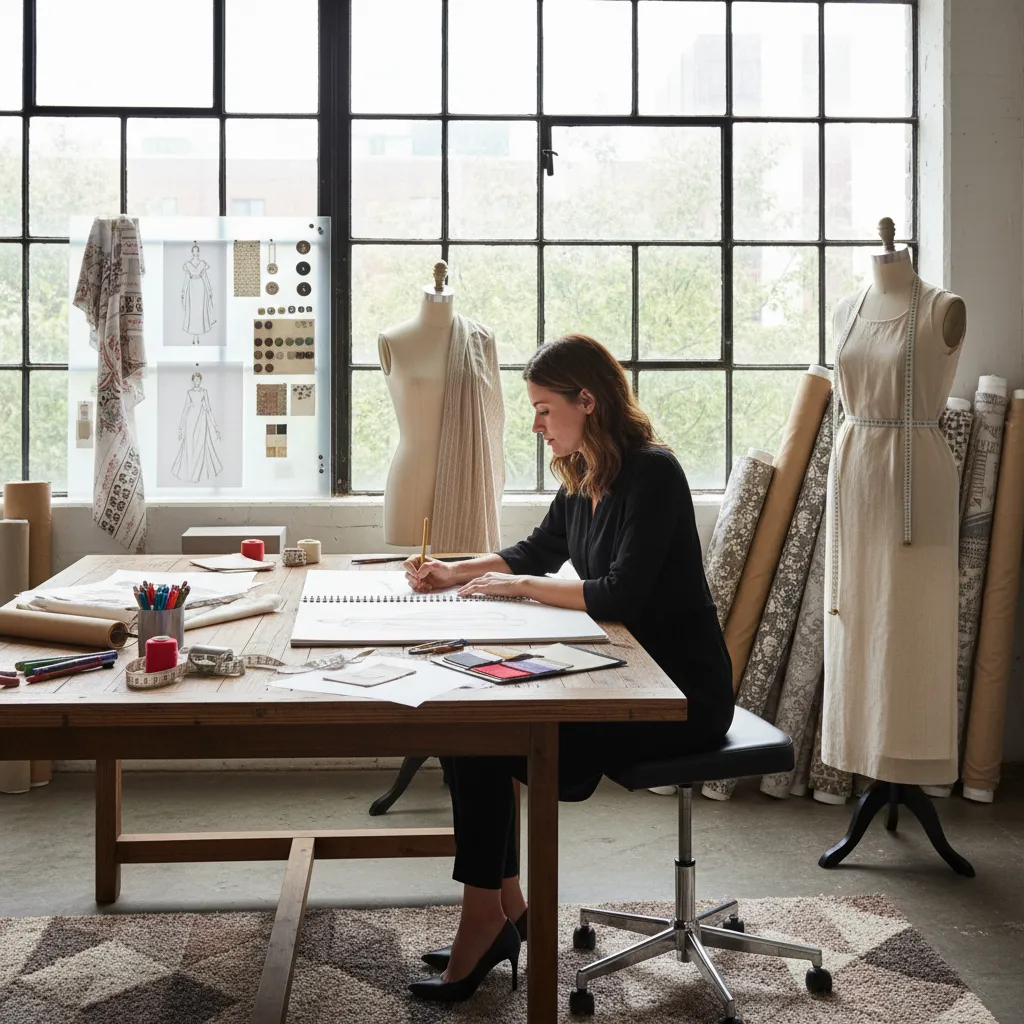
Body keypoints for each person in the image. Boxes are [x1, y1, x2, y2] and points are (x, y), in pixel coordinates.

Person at [403, 333, 734, 1002]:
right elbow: (536, 549)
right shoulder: (584, 470)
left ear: (588, 400)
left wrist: (517, 589)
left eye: (544, 409)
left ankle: (488, 922)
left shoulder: (653, 473)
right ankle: (503, 910)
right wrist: (454, 572)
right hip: (619, 674)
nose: (535, 424)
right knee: (469, 724)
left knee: (485, 735)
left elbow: (618, 592)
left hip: (676, 697)